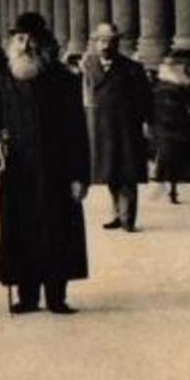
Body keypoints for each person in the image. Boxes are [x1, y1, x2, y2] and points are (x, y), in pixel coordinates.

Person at [0, 12, 90, 314]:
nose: (24, 45)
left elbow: (78, 131)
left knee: (57, 229)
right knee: (22, 230)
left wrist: (80, 176)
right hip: (18, 171)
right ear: (11, 43)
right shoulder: (1, 81)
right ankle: (27, 296)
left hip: (58, 170)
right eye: (19, 38)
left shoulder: (64, 80)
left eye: (30, 39)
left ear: (43, 44)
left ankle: (57, 296)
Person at [81, 22, 152, 232]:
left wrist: (146, 124)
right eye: (101, 41)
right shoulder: (88, 66)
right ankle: (117, 215)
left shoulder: (132, 68)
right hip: (101, 129)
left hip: (126, 130)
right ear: (95, 43)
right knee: (110, 174)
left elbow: (145, 100)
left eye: (110, 41)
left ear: (117, 43)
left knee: (127, 175)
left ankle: (128, 219)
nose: (105, 45)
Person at [151, 56, 190, 204]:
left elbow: (189, 106)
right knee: (171, 157)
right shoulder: (173, 86)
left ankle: (171, 187)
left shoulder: (170, 86)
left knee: (172, 157)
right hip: (169, 126)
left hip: (173, 126)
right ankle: (171, 188)